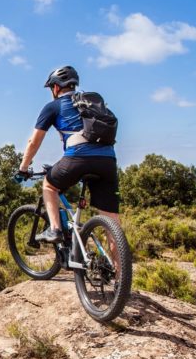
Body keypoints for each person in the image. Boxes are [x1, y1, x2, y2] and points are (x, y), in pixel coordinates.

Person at [16, 65, 120, 246]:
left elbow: (33, 142)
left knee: (49, 185)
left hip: (77, 159)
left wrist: (23, 168)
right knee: (112, 222)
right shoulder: (91, 103)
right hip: (108, 160)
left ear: (56, 87)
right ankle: (120, 272)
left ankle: (55, 229)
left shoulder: (53, 106)